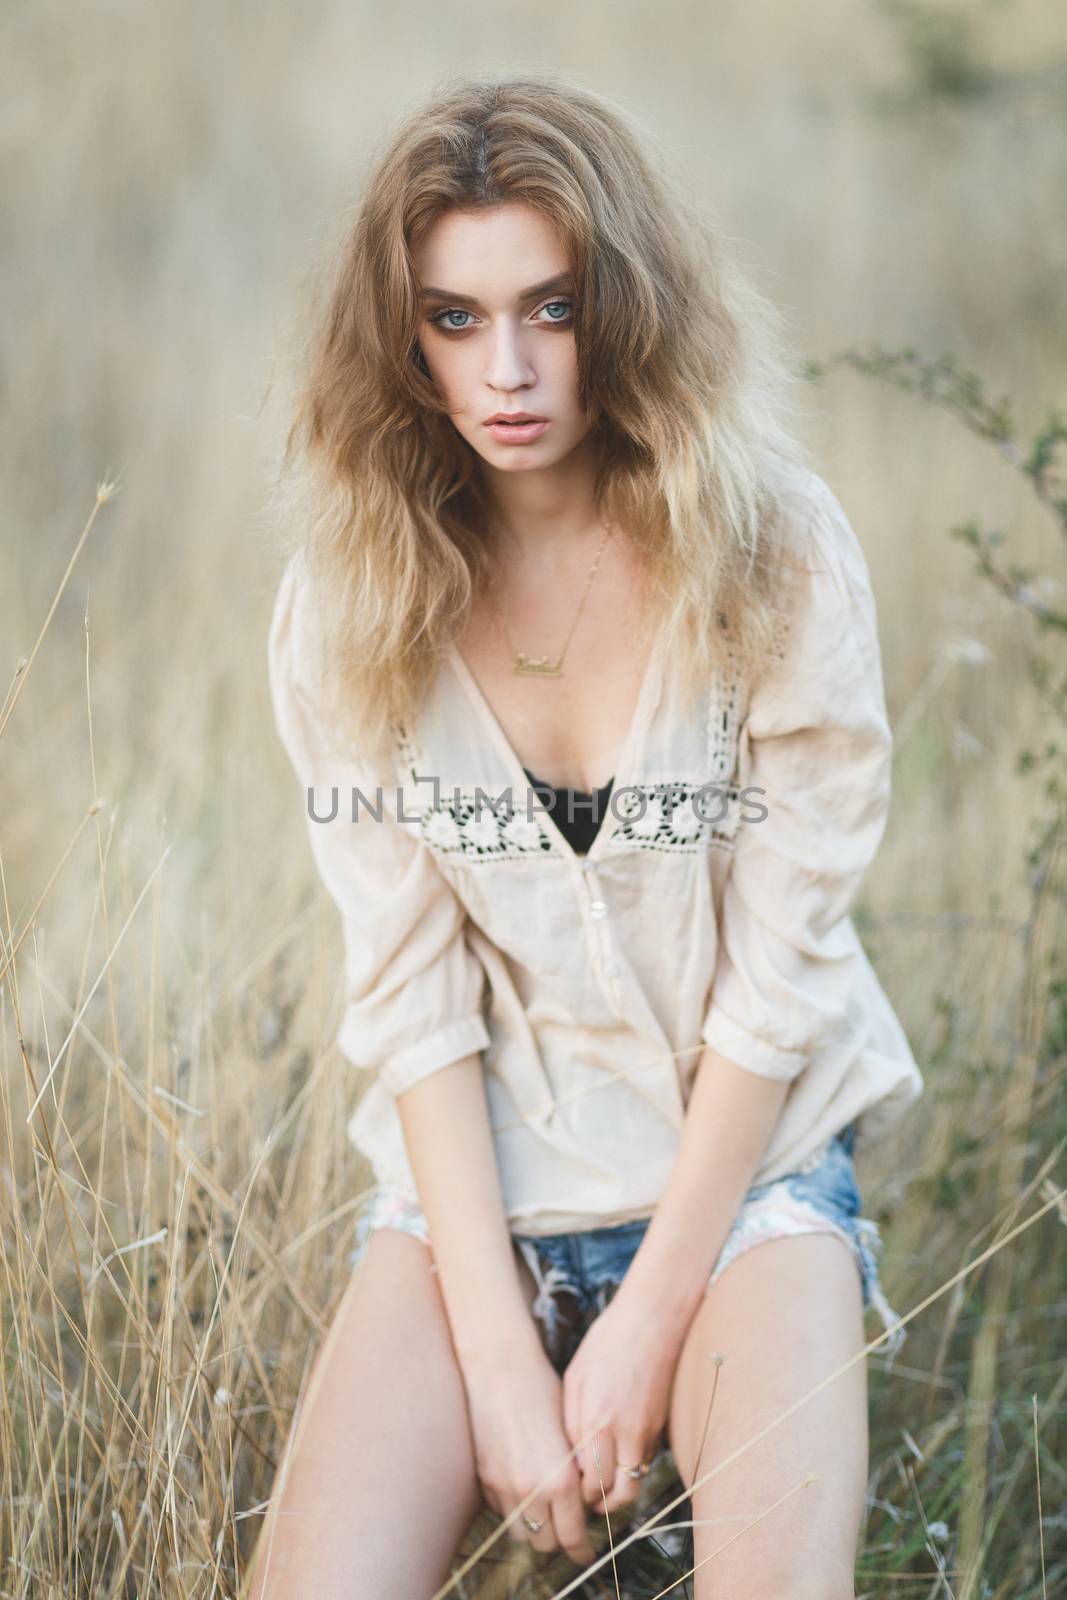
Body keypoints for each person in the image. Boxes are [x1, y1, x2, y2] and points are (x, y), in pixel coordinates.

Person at [249, 71, 924, 1600]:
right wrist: (500, 1351)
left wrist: (642, 1324)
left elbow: (783, 965)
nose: (507, 368)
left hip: (745, 1186)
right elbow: (410, 989)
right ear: (400, 335)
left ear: (622, 306)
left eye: (550, 309)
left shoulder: (777, 554)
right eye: (455, 317)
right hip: (472, 1195)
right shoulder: (346, 606)